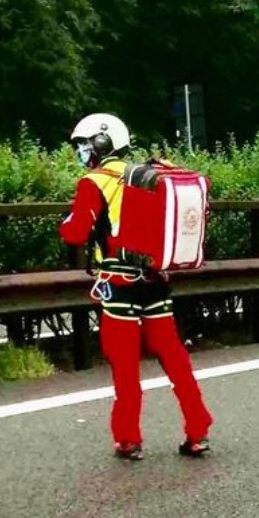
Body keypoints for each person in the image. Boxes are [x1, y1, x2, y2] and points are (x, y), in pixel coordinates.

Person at [58, 113, 213, 461]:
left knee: (125, 364)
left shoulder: (94, 182)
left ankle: (128, 438)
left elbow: (76, 233)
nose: (81, 152)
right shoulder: (147, 177)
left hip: (118, 284)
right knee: (174, 358)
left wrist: (66, 222)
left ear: (102, 143)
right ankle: (198, 429)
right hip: (155, 279)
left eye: (84, 145)